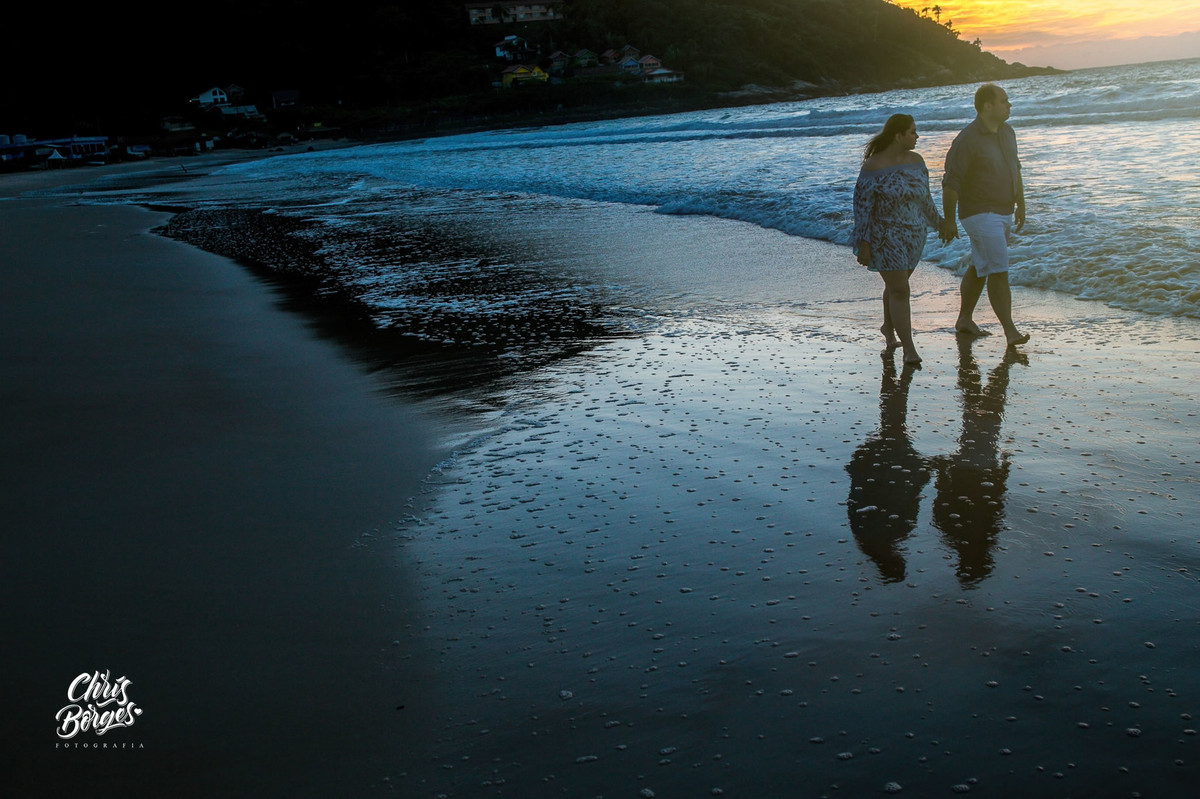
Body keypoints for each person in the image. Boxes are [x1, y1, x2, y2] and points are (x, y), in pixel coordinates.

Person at [939, 84, 1030, 347]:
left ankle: (964, 319)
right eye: (1004, 101)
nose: (1009, 105)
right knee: (998, 269)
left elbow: (1016, 169)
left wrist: (1020, 204)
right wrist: (948, 219)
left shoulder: (1007, 132)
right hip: (979, 213)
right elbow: (951, 182)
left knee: (980, 266)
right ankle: (1010, 331)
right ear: (987, 106)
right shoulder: (967, 140)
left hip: (1003, 211)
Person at [852, 113, 942, 364]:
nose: (917, 136)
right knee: (901, 289)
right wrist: (864, 243)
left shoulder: (917, 161)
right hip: (885, 236)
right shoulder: (873, 166)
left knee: (895, 286)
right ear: (898, 135)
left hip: (915, 235)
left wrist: (940, 224)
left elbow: (926, 199)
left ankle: (888, 329)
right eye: (913, 132)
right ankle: (909, 349)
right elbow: (862, 208)